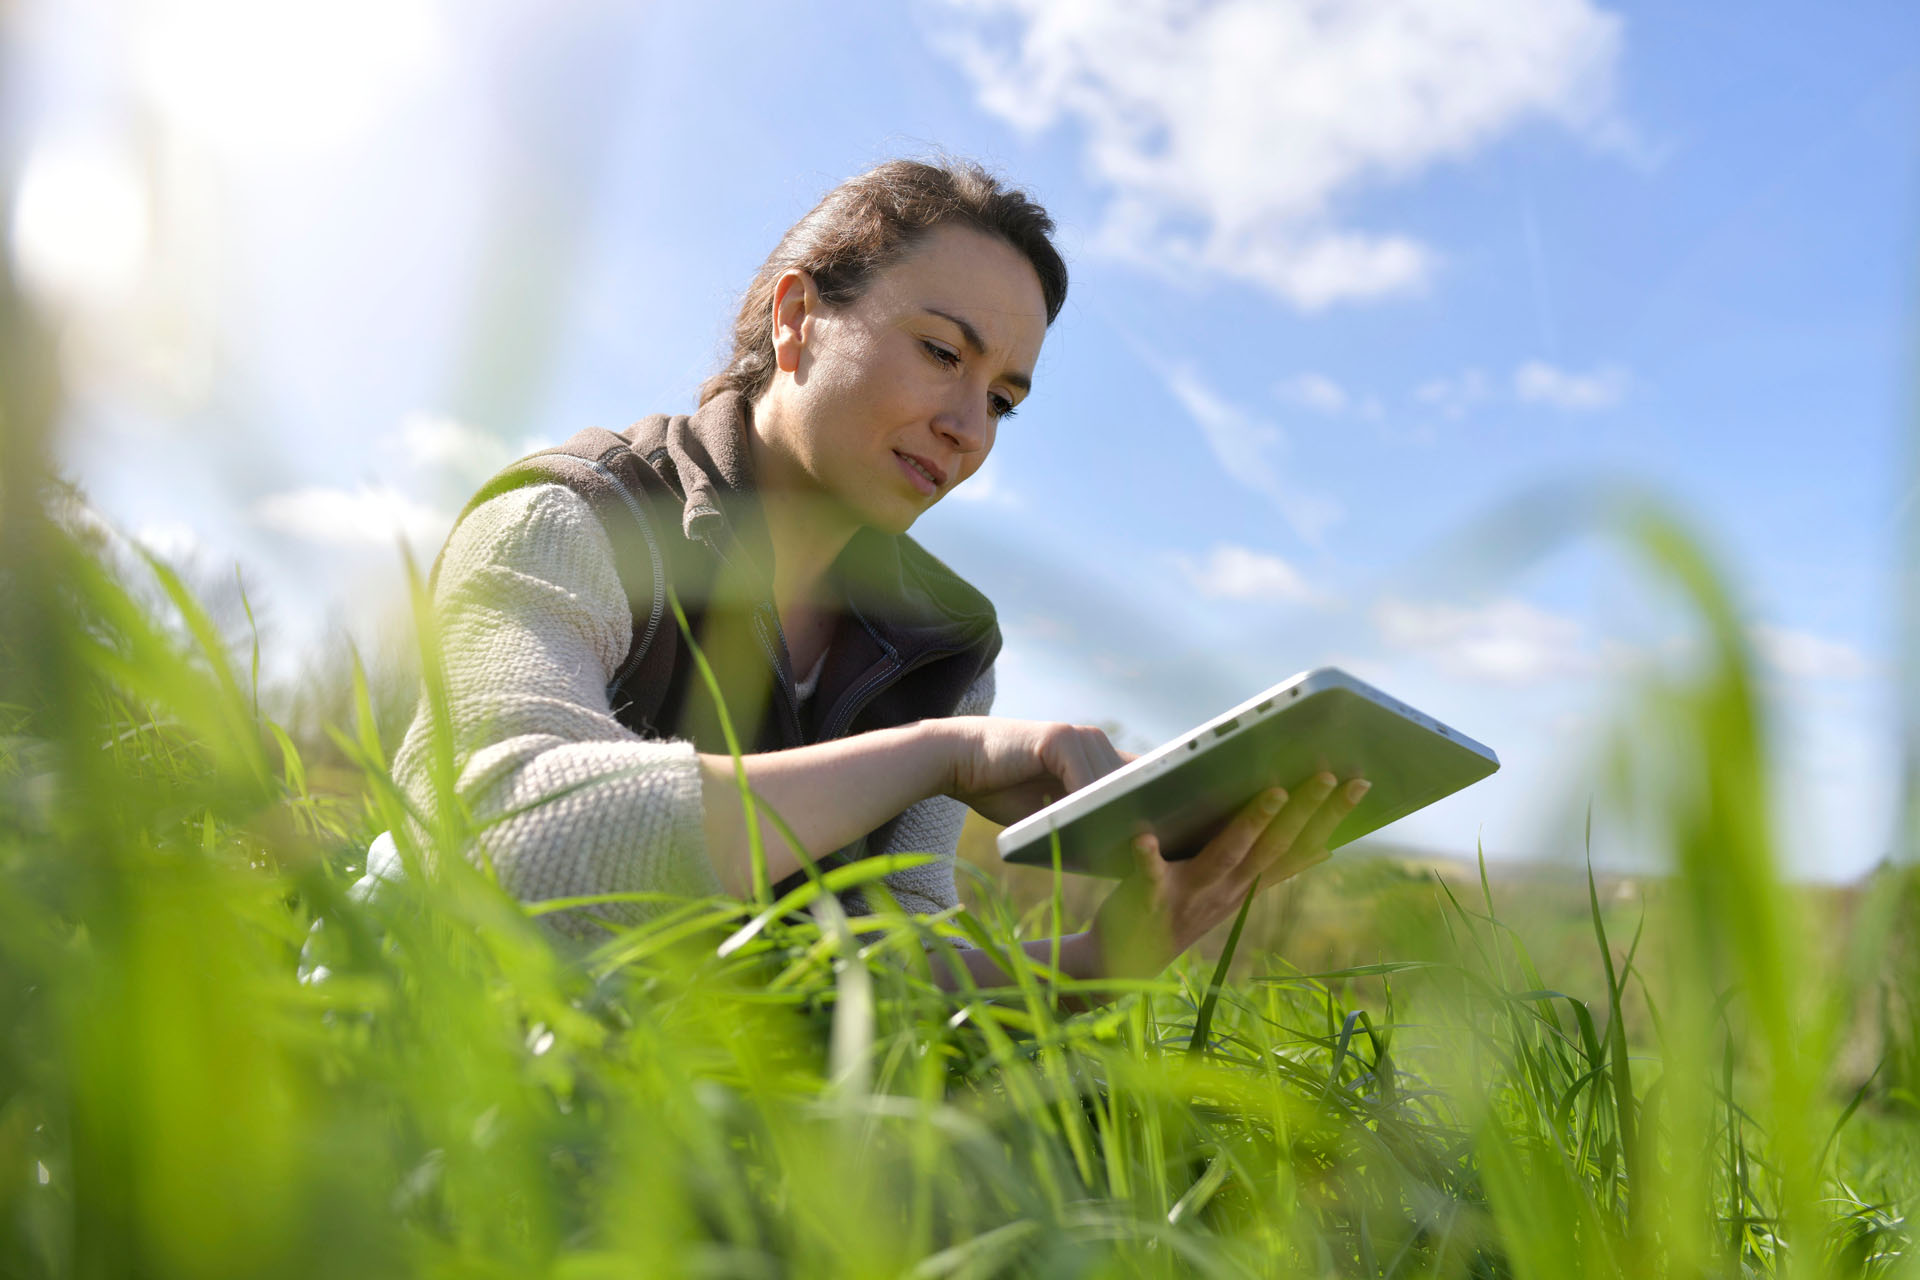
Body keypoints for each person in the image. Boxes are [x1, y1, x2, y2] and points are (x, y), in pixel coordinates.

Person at [391, 158, 1368, 997]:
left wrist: (1103, 957)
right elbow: (492, 840)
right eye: (942, 352)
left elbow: (879, 959)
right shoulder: (571, 513)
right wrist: (934, 753)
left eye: (1002, 400)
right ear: (798, 319)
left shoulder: (940, 641)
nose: (969, 427)